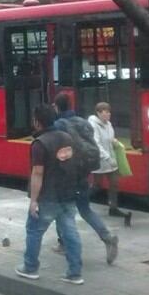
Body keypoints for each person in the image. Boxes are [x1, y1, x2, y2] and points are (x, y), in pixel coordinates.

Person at [16, 104, 85, 284]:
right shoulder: (67, 137)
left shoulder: (40, 144)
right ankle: (75, 273)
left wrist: (33, 201)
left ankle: (30, 268)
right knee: (70, 233)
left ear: (37, 123)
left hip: (48, 197)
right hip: (68, 194)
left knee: (34, 230)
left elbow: (37, 173)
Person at [53, 94, 119, 265]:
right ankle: (108, 237)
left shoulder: (59, 124)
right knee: (85, 210)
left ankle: (65, 244)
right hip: (83, 173)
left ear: (57, 107)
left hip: (67, 176)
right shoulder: (83, 122)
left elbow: (57, 150)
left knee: (63, 211)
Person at [89, 102, 123, 217]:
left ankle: (113, 208)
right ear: (98, 113)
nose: (108, 114)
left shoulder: (109, 124)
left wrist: (114, 142)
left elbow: (110, 139)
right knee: (96, 186)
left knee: (114, 183)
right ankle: (81, 201)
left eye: (109, 112)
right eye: (106, 112)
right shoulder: (94, 125)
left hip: (110, 161)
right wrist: (107, 157)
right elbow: (96, 143)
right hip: (100, 161)